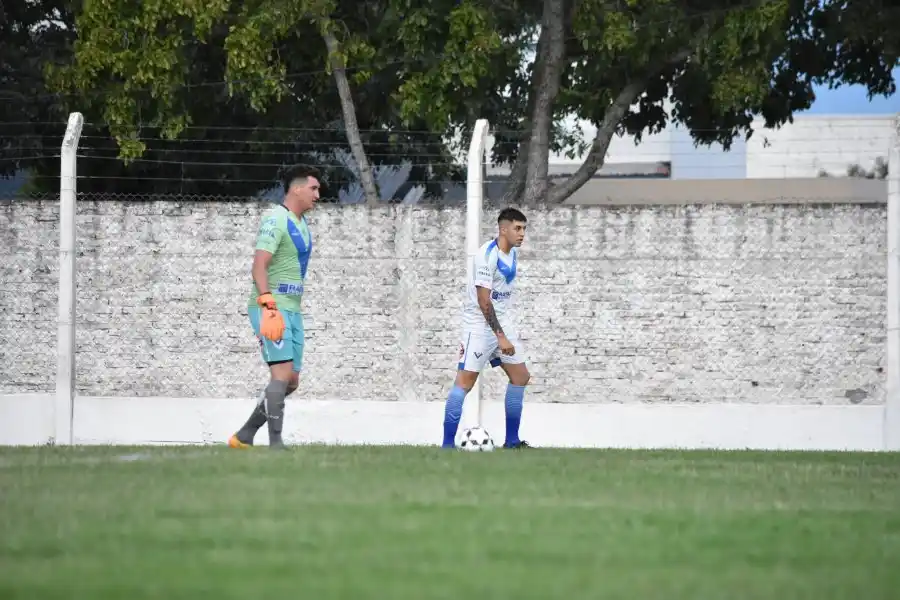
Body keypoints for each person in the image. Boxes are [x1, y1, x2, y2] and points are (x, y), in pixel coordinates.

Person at [228, 165, 321, 450]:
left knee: (291, 381)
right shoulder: (275, 219)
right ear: (296, 188)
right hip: (271, 307)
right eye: (314, 189)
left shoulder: (302, 224)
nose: (318, 195)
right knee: (280, 375)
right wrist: (267, 303)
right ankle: (276, 444)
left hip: (292, 310)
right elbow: (259, 265)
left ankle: (243, 436)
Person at [442, 207, 533, 449]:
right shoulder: (486, 255)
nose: (522, 233)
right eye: (517, 228)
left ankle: (512, 442)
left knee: (520, 376)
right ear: (503, 229)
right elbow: (484, 301)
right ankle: (447, 445)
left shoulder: (511, 253)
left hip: (501, 324)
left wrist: (503, 333)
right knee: (465, 383)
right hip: (480, 328)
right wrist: (500, 337)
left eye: (524, 229)